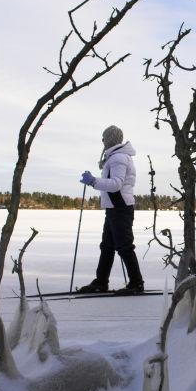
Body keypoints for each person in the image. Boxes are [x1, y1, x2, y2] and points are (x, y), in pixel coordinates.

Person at [77, 125, 145, 294]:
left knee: (124, 246)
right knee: (107, 246)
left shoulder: (118, 158)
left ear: (110, 139)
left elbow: (116, 185)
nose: (102, 141)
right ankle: (101, 282)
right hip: (114, 208)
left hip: (120, 208)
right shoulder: (115, 157)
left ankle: (136, 283)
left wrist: (93, 181)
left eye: (104, 137)